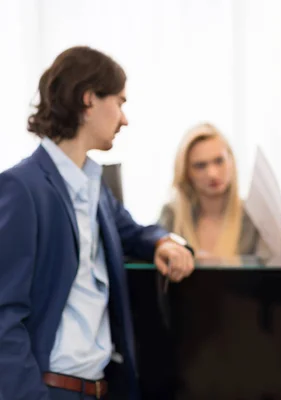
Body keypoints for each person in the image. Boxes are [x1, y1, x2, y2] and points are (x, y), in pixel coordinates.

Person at [0, 46, 195, 400]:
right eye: (119, 102)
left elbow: (136, 231)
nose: (124, 118)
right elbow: (4, 314)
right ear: (89, 99)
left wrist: (165, 242)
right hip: (47, 390)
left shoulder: (95, 188)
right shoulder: (22, 187)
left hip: (101, 387)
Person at [158, 122, 271, 266]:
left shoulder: (253, 216)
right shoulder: (171, 216)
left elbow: (268, 266)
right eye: (200, 166)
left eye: (219, 161)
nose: (212, 173)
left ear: (231, 161)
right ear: (186, 173)